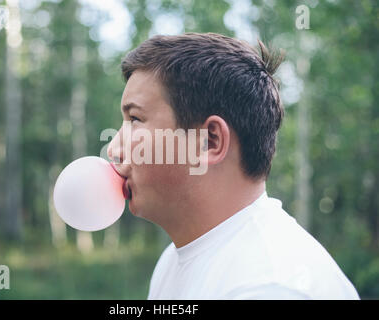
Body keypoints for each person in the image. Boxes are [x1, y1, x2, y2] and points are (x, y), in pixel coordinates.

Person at [107, 32, 359, 299]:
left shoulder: (270, 287)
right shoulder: (173, 260)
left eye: (135, 119)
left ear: (209, 142)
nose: (114, 149)